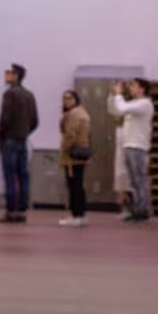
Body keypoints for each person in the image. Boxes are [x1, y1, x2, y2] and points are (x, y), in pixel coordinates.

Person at [0, 64, 39, 222]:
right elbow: (35, 120)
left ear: (16, 76)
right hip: (23, 140)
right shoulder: (29, 95)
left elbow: (5, 118)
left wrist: (1, 136)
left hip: (9, 141)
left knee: (9, 176)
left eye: (10, 72)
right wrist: (25, 132)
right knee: (23, 176)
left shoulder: (9, 94)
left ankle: (11, 211)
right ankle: (22, 210)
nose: (6, 75)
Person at [109, 79, 156, 223]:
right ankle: (137, 208)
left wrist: (118, 95)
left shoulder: (144, 104)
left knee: (139, 180)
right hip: (129, 145)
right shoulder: (134, 104)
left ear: (142, 89)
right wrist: (113, 96)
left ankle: (143, 210)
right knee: (134, 181)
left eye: (134, 86)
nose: (130, 88)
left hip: (138, 146)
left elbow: (122, 108)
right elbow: (115, 110)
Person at [58, 89, 92, 226]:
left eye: (69, 98)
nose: (66, 101)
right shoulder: (83, 112)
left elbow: (70, 135)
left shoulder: (74, 114)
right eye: (64, 98)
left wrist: (64, 149)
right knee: (78, 184)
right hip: (82, 152)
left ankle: (76, 215)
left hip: (73, 155)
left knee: (74, 185)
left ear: (76, 99)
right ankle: (81, 214)